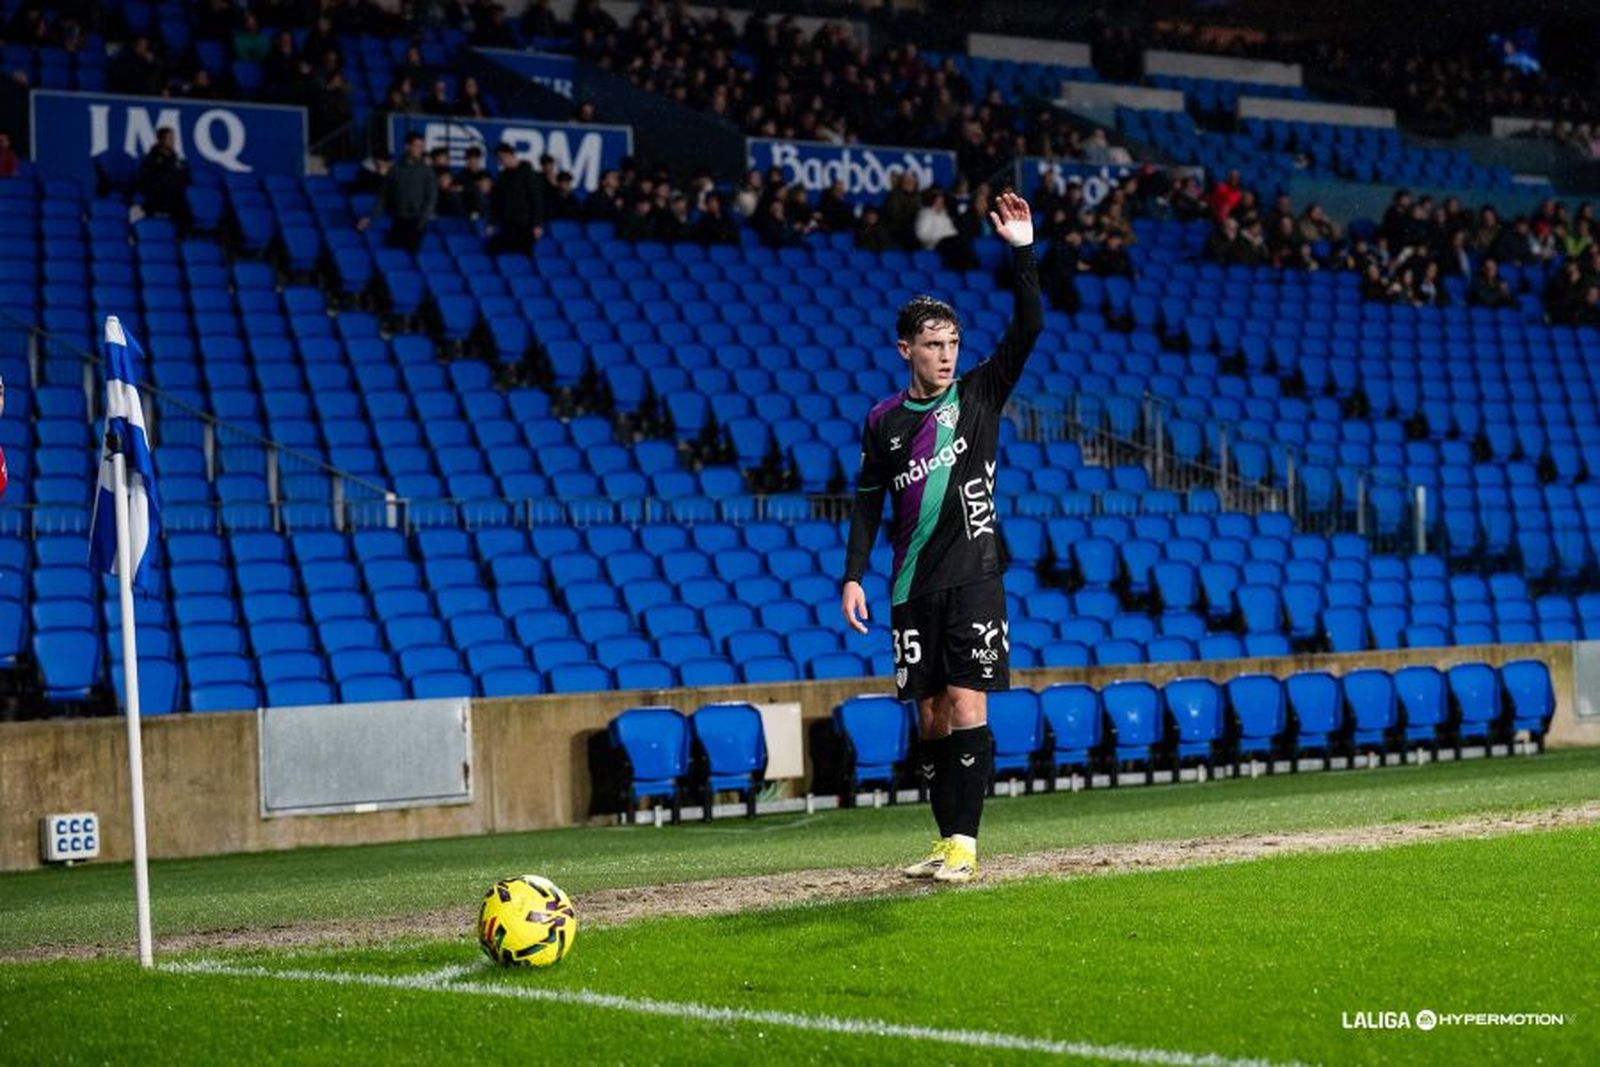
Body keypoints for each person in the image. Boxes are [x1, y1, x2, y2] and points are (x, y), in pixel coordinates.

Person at [839, 191, 1040, 885]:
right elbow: (868, 501)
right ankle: (944, 838)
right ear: (906, 349)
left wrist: (1022, 250)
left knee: (965, 702)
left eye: (953, 343)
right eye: (933, 344)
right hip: (909, 583)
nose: (947, 355)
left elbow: (1030, 325)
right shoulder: (883, 421)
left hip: (976, 573)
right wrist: (853, 574)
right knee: (928, 716)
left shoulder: (980, 394)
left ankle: (965, 843)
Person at [358, 133, 436, 253]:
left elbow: (431, 198)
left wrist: (421, 222)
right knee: (391, 254)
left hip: (416, 223)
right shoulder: (395, 170)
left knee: (410, 258)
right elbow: (383, 197)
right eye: (417, 146)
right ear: (407, 146)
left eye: (422, 146)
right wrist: (371, 218)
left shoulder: (427, 171)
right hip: (398, 220)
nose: (421, 150)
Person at [487, 142, 543, 255]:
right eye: (498, 159)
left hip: (525, 225)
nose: (500, 162)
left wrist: (537, 224)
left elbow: (535, 199)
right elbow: (496, 201)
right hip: (507, 224)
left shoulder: (527, 172)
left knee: (525, 255)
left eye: (501, 158)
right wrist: (493, 221)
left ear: (509, 155)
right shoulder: (503, 177)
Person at [134, 127, 191, 229]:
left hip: (175, 199)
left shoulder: (177, 161)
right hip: (157, 198)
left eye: (173, 138)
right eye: (169, 138)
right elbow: (146, 182)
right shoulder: (150, 160)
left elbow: (185, 178)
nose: (173, 141)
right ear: (161, 140)